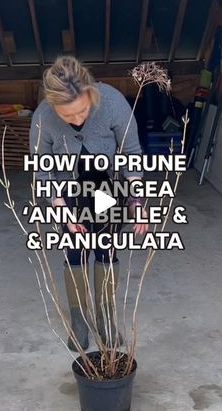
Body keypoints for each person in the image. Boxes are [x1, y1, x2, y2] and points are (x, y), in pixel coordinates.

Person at [30, 56, 148, 351]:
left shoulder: (112, 102)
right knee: (75, 250)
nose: (78, 120)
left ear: (91, 93)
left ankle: (106, 317)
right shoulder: (43, 117)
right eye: (68, 116)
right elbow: (42, 172)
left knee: (105, 247)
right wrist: (64, 210)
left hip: (105, 186)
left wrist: (136, 199)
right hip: (66, 190)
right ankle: (79, 320)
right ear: (52, 105)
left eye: (82, 110)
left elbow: (131, 154)